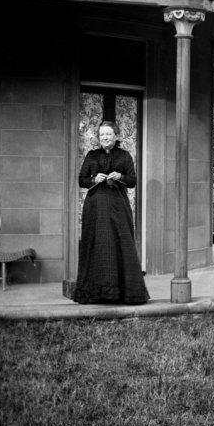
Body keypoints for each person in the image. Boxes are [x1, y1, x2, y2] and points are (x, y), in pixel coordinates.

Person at [74, 121, 149, 304]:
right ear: (99, 138)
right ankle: (96, 292)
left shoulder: (124, 156)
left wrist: (120, 177)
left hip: (117, 207)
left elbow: (132, 181)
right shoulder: (92, 156)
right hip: (95, 208)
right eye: (102, 135)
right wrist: (94, 179)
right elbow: (81, 180)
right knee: (97, 244)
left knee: (121, 243)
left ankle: (123, 292)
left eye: (108, 134)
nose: (105, 138)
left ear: (116, 136)